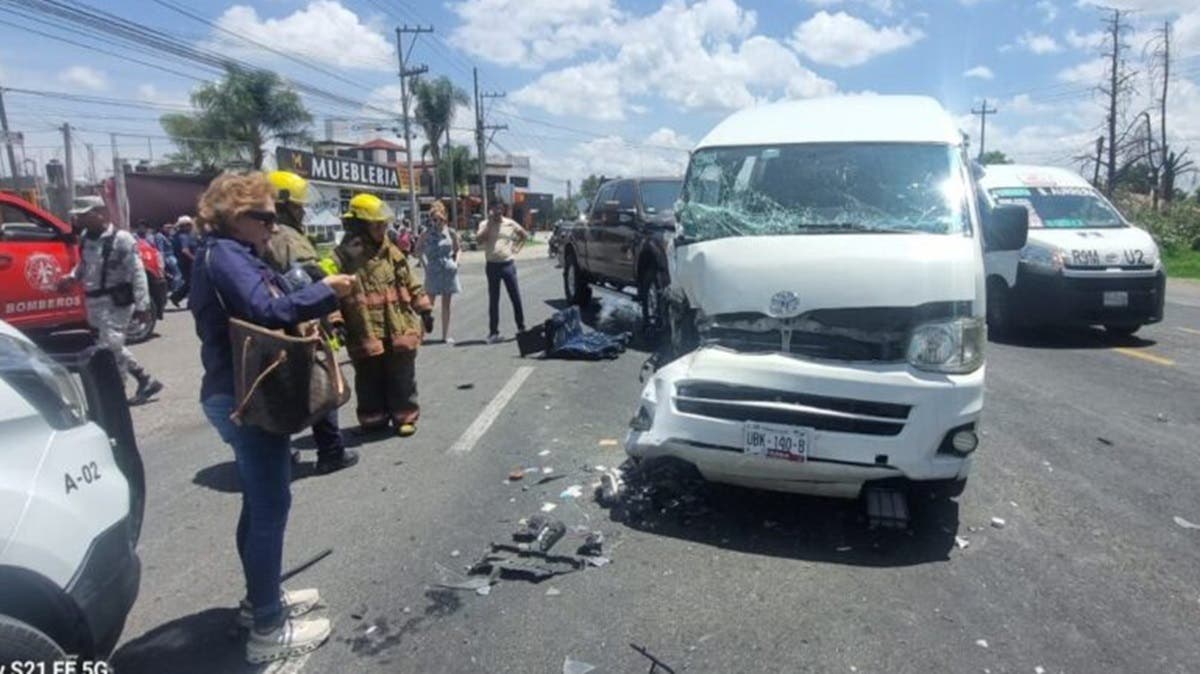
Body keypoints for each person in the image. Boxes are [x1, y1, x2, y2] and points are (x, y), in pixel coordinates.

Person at [190, 172, 356, 664]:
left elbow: (277, 289)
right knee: (269, 507)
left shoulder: (234, 254)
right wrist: (326, 291)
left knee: (260, 503)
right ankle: (267, 625)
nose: (271, 225)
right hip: (243, 397)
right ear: (233, 216)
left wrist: (309, 281)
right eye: (263, 217)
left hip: (242, 393)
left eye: (273, 216)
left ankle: (257, 599)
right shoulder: (223, 256)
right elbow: (268, 308)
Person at [262, 171, 356, 475]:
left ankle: (281, 454)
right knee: (320, 383)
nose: (303, 212)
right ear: (283, 205)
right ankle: (331, 451)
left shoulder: (256, 238)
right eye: (299, 206)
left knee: (279, 389)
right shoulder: (287, 237)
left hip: (270, 326)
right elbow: (308, 280)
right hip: (300, 323)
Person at [329, 194, 431, 437]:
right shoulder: (344, 257)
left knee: (402, 374)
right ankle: (373, 418)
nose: (382, 229)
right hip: (363, 328)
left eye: (384, 224)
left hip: (397, 325)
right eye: (377, 225)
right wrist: (336, 321)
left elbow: (410, 281)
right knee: (368, 376)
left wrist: (424, 308)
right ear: (360, 226)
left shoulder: (391, 251)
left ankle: (404, 416)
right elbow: (330, 291)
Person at [60, 197, 164, 404]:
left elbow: (137, 272)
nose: (80, 219)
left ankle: (116, 395)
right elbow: (84, 266)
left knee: (110, 345)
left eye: (85, 214)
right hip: (93, 302)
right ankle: (146, 379)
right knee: (108, 345)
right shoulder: (86, 238)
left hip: (116, 301)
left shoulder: (122, 239)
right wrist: (71, 278)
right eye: (79, 215)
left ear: (102, 213)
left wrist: (143, 305)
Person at [476, 201, 528, 343]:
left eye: (500, 209)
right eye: (495, 209)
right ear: (490, 210)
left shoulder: (510, 223)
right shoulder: (484, 224)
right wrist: (490, 224)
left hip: (508, 265)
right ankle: (494, 333)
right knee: (494, 300)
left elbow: (524, 235)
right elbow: (479, 240)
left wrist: (517, 248)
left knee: (515, 297)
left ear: (503, 209)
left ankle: (521, 327)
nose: (498, 211)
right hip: (492, 266)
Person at [415, 201, 461, 344]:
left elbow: (458, 248)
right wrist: (425, 265)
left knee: (446, 304)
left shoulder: (451, 232)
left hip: (448, 269)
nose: (436, 222)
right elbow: (418, 250)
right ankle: (420, 336)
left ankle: (445, 335)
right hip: (433, 270)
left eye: (439, 219)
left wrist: (456, 262)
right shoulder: (426, 233)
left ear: (444, 218)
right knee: (427, 305)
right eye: (433, 219)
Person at [169, 215, 198, 307]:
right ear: (183, 226)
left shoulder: (179, 235)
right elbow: (185, 251)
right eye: (188, 225)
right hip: (187, 263)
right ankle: (176, 297)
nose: (190, 227)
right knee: (192, 282)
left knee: (191, 282)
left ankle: (180, 298)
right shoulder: (183, 236)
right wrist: (194, 259)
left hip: (184, 262)